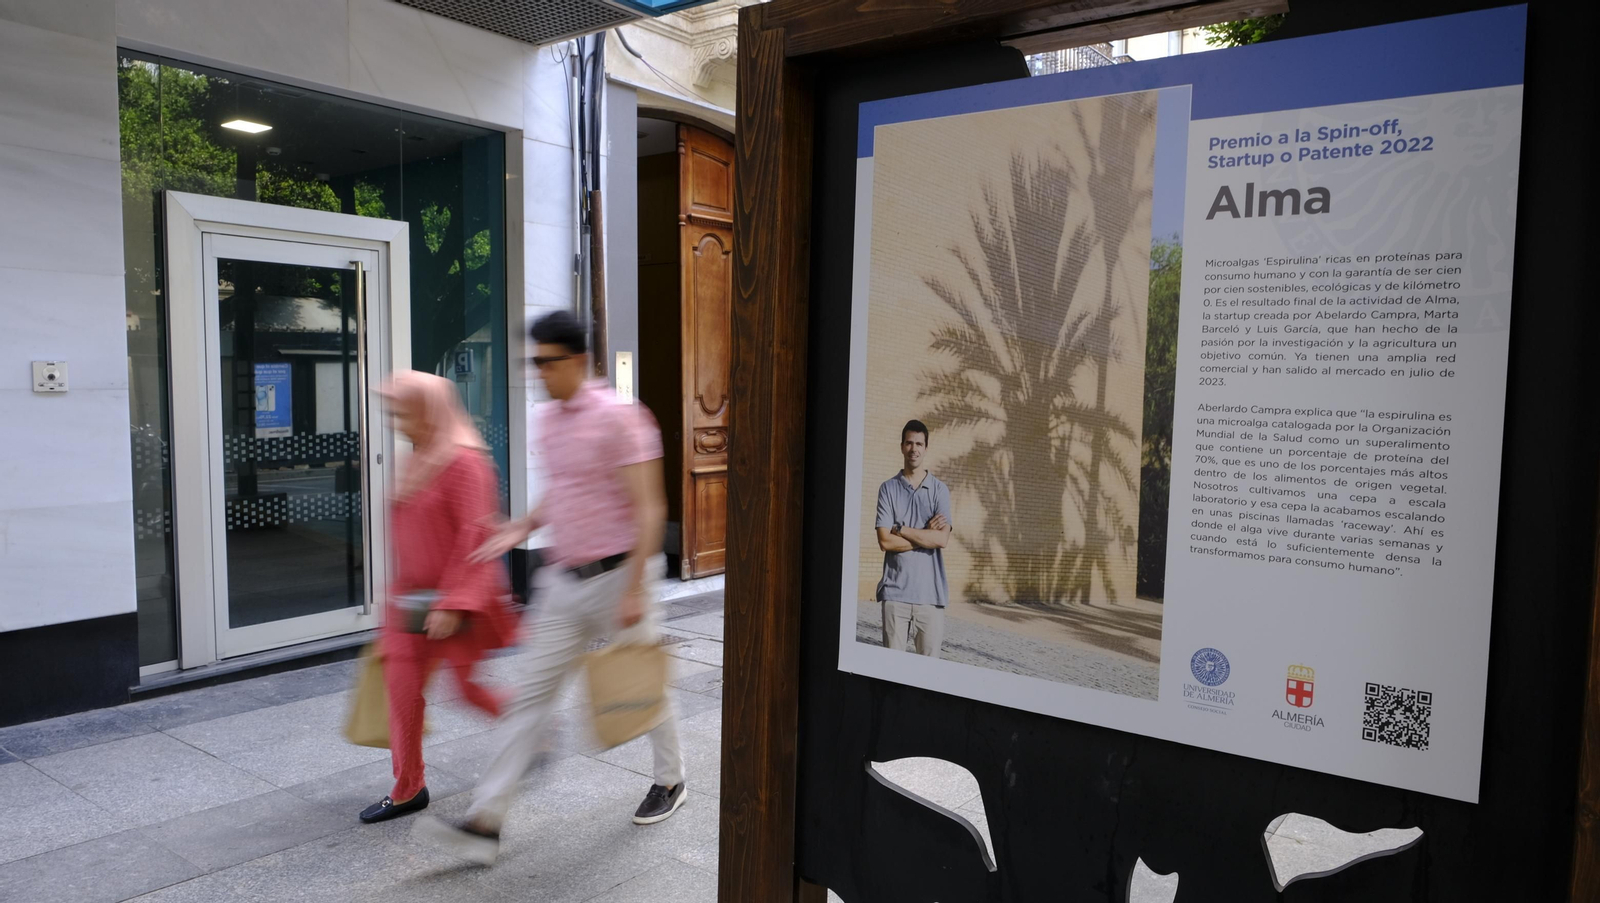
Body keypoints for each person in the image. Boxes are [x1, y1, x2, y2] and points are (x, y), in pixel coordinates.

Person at [416, 310, 684, 865]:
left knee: (640, 684)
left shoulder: (623, 419)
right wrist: (524, 525)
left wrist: (635, 588)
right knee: (531, 697)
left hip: (620, 577)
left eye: (547, 362)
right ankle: (484, 823)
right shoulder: (548, 420)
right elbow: (563, 492)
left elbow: (651, 507)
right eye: (532, 362)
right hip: (563, 580)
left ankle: (671, 779)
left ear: (578, 361)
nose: (537, 372)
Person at [360, 371, 516, 824]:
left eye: (404, 413)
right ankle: (408, 786)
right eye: (394, 413)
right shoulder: (420, 457)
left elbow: (475, 535)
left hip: (454, 605)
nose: (398, 423)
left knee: (467, 690)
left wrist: (453, 602)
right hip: (410, 605)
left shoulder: (466, 463)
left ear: (429, 410)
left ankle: (534, 725)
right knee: (402, 691)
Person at [875, 419, 953, 658]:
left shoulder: (939, 490)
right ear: (902, 447)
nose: (914, 449)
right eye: (909, 443)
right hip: (895, 596)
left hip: (930, 597)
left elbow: (942, 540)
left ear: (926, 448)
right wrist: (924, 534)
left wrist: (901, 528)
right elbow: (885, 542)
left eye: (919, 443)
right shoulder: (888, 489)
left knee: (928, 678)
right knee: (891, 674)